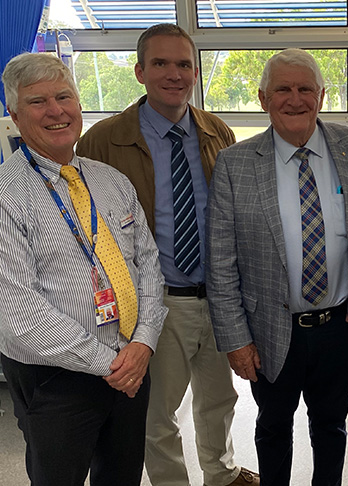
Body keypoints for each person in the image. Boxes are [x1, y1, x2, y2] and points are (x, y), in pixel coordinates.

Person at [0, 53, 167, 486]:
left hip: (131, 361)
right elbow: (20, 318)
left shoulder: (111, 181)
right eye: (38, 102)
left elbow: (148, 266)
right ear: (14, 115)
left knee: (123, 476)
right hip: (56, 379)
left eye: (64, 96)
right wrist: (112, 365)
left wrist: (143, 344)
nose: (56, 111)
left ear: (79, 104)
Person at [77, 23, 257, 486]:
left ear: (195, 72)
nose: (173, 74)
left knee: (219, 399)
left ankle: (221, 473)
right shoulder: (102, 141)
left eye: (183, 64)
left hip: (216, 298)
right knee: (159, 410)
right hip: (157, 303)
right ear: (139, 71)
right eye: (160, 63)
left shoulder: (216, 132)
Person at [206, 48, 348, 486]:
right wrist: (235, 339)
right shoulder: (235, 164)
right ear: (264, 98)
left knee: (331, 427)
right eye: (282, 89)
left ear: (321, 96)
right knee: (273, 427)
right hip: (269, 329)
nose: (295, 98)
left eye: (305, 88)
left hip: (338, 327)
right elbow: (221, 262)